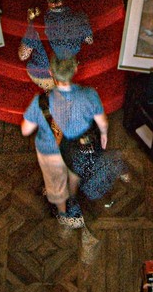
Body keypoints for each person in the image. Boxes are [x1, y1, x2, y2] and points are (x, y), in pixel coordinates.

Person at [20, 54, 106, 228]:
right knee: (74, 173)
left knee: (55, 183)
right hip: (78, 148)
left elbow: (25, 130)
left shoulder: (40, 102)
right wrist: (103, 135)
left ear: (51, 73)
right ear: (75, 70)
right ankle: (73, 198)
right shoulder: (89, 94)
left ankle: (62, 212)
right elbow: (102, 122)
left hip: (51, 152)